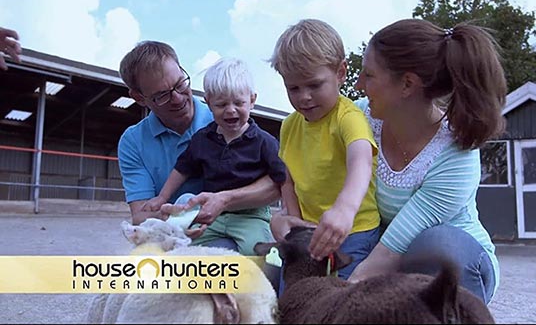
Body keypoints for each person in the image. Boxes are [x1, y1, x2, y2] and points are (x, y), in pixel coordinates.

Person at [348, 19, 506, 305]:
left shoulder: (457, 154)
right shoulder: (358, 119)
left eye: (369, 75)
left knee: (436, 246)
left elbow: (391, 249)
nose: (359, 85)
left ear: (407, 84)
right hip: (388, 254)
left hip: (454, 261)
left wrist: (339, 300)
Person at [117, 41, 280, 248]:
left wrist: (224, 200)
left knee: (245, 255)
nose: (177, 98)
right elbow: (140, 217)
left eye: (180, 84)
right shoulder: (132, 142)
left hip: (237, 223)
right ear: (139, 98)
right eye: (162, 95)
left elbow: (276, 184)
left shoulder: (227, 123)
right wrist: (179, 215)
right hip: (184, 226)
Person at [268, 19, 381, 281]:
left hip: (354, 231)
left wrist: (344, 209)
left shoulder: (348, 118)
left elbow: (361, 163)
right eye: (293, 88)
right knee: (296, 295)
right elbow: (288, 180)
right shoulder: (289, 126)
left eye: (314, 85)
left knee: (342, 301)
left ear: (341, 73)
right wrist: (294, 222)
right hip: (309, 234)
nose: (303, 96)